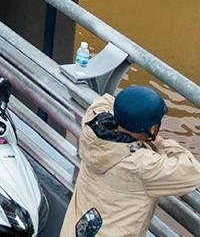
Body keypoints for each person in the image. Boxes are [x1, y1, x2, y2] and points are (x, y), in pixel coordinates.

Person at [61, 85, 200, 237]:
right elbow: (193, 171)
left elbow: (105, 100)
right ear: (152, 129)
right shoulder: (142, 165)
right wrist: (159, 143)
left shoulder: (92, 125)